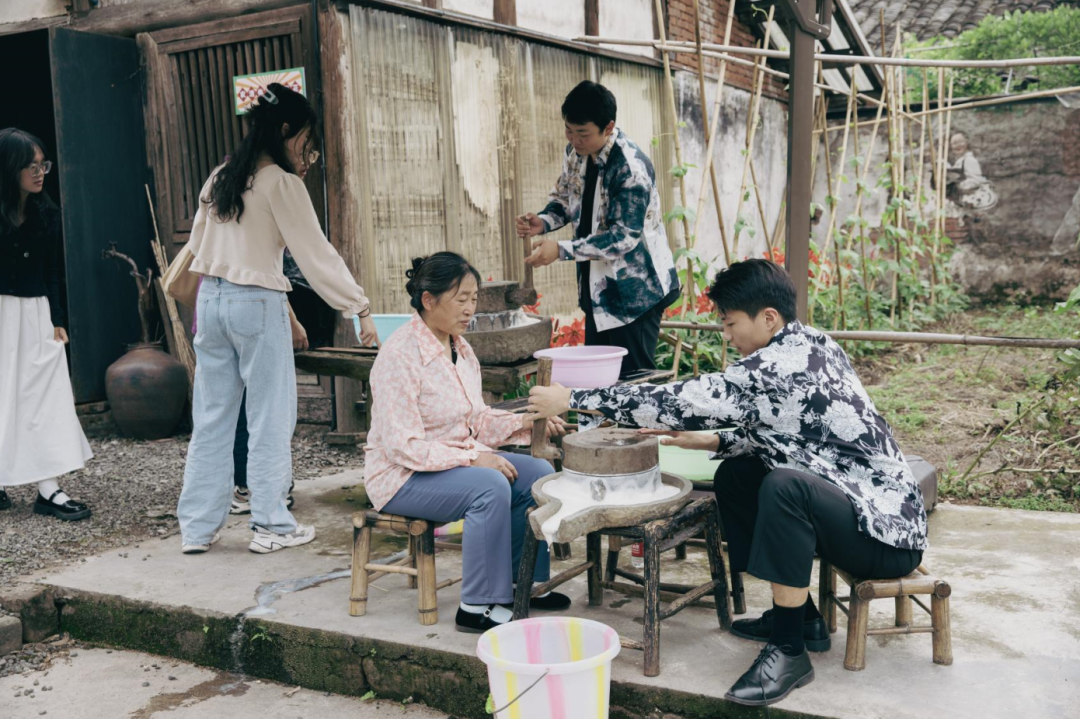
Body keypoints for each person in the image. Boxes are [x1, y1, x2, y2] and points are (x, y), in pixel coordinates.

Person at [527, 259, 927, 706]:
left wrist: (575, 398)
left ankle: (790, 650)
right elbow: (792, 431)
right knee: (739, 474)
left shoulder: (774, 366)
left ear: (768, 318)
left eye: (730, 321)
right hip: (855, 505)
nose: (726, 333)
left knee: (785, 486)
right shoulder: (809, 342)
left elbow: (682, 398)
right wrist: (711, 440)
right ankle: (801, 619)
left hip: (885, 535)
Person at [177, 83, 379, 555]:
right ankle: (271, 524)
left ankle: (198, 529)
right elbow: (316, 254)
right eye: (305, 138)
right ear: (286, 129)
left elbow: (200, 249)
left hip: (211, 301)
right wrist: (359, 306)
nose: (306, 149)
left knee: (211, 418)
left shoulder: (221, 176)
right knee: (269, 415)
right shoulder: (281, 183)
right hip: (255, 304)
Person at [365, 252, 570, 633]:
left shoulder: (460, 348)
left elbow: (475, 419)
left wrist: (528, 422)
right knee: (490, 485)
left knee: (538, 474)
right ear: (429, 299)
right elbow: (403, 446)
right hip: (401, 477)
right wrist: (474, 459)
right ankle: (475, 604)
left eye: (473, 299)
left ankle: (521, 583)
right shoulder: (400, 355)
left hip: (452, 464)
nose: (470, 308)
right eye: (461, 299)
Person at [517, 81, 679, 378]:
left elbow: (622, 238)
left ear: (608, 127)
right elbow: (566, 199)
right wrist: (543, 221)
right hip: (598, 289)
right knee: (598, 381)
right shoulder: (574, 153)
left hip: (636, 292)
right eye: (569, 130)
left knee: (633, 384)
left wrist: (561, 250)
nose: (575, 139)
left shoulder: (630, 169)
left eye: (583, 133)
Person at [0, 128, 92, 521]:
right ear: (9, 168)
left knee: (48, 395)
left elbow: (52, 272)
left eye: (43, 165)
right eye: (31, 166)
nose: (40, 173)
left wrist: (57, 320)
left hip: (37, 313)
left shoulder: (47, 213)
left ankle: (48, 489)